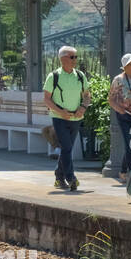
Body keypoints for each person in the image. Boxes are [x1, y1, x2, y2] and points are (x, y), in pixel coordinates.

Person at [42, 46, 90, 191]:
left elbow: (87, 95)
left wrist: (83, 107)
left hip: (76, 118)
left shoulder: (80, 75)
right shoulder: (54, 76)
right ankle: (71, 178)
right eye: (72, 57)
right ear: (63, 59)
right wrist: (60, 111)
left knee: (65, 149)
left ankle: (58, 176)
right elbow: (47, 99)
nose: (75, 60)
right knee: (67, 147)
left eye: (76, 57)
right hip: (59, 118)